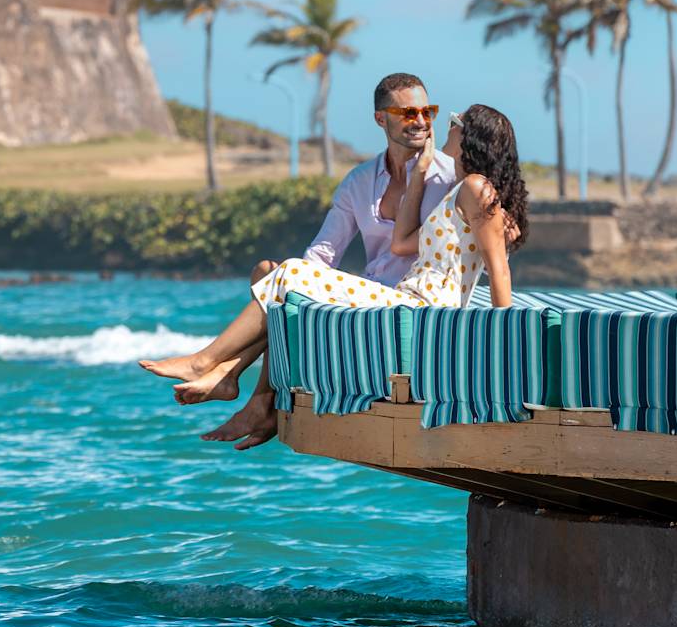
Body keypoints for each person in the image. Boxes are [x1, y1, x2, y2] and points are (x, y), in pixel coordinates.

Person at [151, 103, 531, 447]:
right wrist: (420, 174)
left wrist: (501, 340)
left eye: (454, 122)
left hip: (422, 308)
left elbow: (499, 269)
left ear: (470, 136)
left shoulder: (475, 187)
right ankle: (232, 377)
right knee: (282, 280)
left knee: (291, 273)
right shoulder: (463, 191)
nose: (445, 127)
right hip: (409, 299)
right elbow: (401, 244)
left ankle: (207, 362)